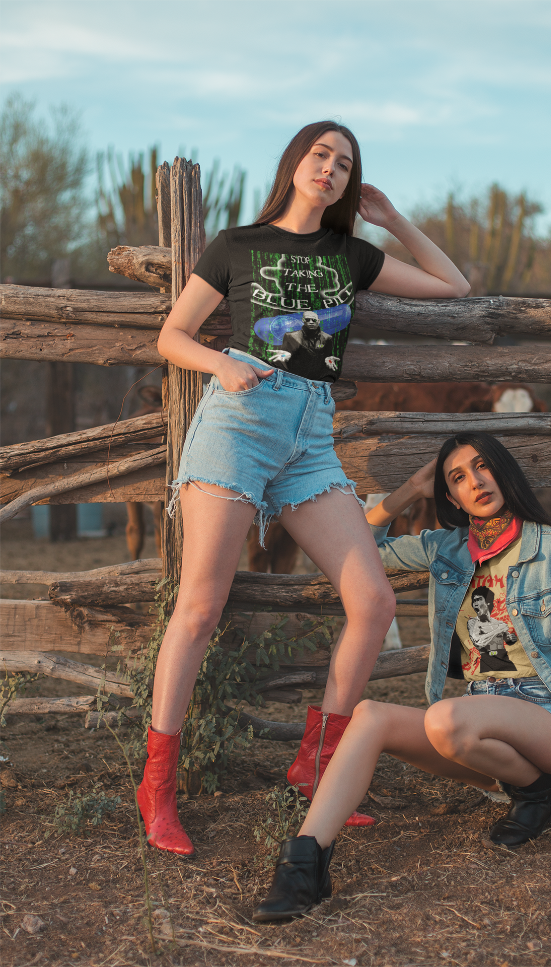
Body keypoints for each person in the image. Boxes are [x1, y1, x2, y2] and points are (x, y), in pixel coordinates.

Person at [135, 121, 470, 856]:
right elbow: (173, 334)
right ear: (295, 163)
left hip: (311, 437)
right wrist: (221, 363)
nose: (331, 168)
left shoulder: (351, 254)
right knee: (200, 607)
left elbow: (454, 286)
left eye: (344, 163)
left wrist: (393, 220)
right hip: (240, 420)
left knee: (374, 600)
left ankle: (314, 763)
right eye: (321, 154)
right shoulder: (237, 244)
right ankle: (157, 785)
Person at [253, 432, 551, 922]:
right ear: (450, 497)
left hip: (547, 722)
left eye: (482, 466)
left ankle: (544, 789)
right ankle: (304, 864)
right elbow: (356, 549)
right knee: (371, 715)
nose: (475, 482)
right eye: (457, 478)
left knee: (444, 718)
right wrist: (406, 494)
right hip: (480, 724)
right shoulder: (446, 549)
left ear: (502, 470)